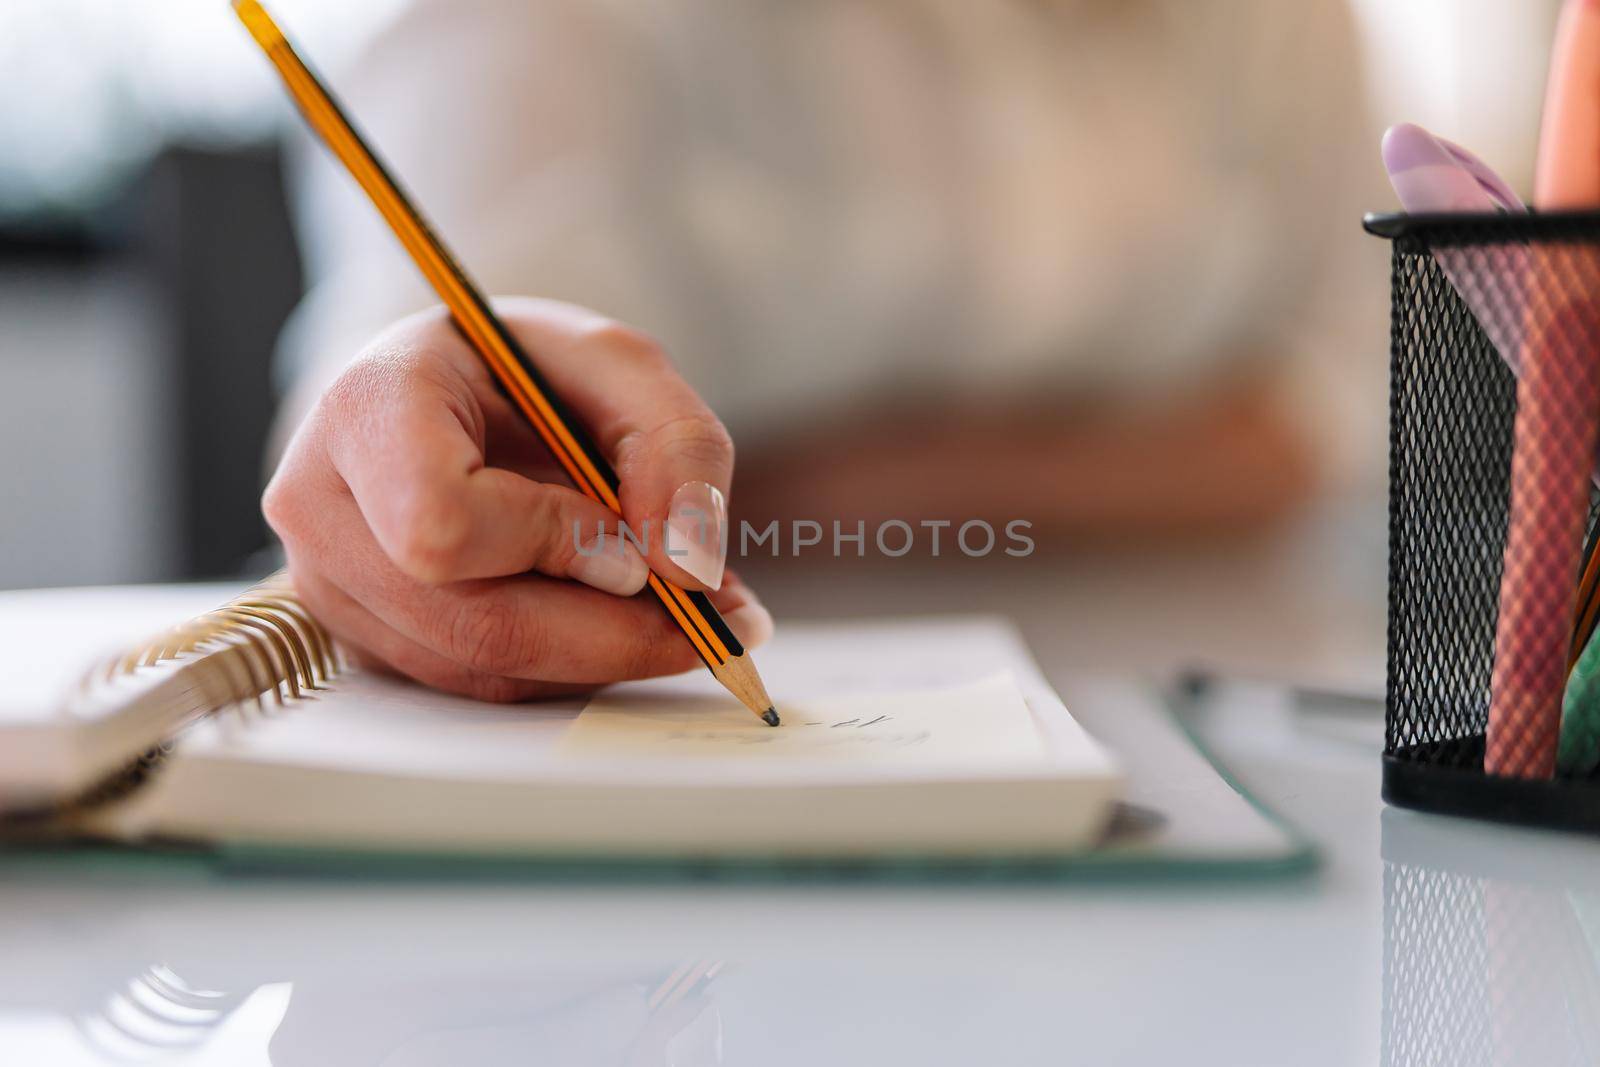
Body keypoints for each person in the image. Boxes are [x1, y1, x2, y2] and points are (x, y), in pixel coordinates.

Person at [265, 0, 1380, 700]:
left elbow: (1341, 398)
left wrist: (846, 481)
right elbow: (436, 380)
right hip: (688, 727)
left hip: (1225, 685)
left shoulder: (1286, 24)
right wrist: (395, 428)